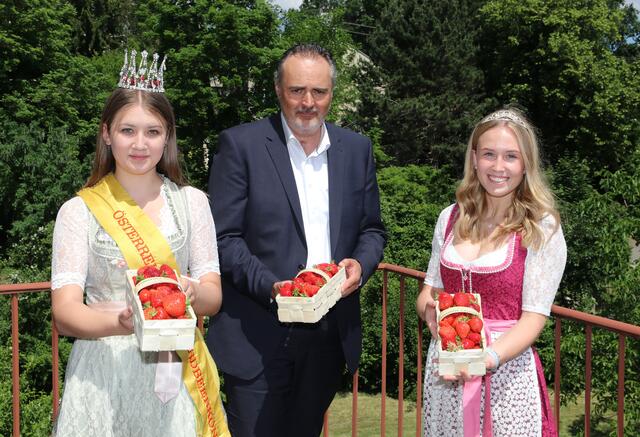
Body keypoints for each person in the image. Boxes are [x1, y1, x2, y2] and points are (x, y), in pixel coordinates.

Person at [206, 43, 386, 436]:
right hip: (257, 334)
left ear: (331, 95)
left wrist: (361, 264)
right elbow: (224, 238)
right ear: (277, 90)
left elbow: (372, 229)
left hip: (327, 334)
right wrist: (274, 288)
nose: (308, 102)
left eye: (318, 92)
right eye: (296, 91)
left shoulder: (357, 149)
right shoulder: (241, 146)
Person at [51, 49, 229, 436]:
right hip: (102, 374)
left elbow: (214, 295)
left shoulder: (193, 203)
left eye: (153, 131)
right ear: (106, 133)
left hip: (176, 369)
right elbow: (65, 314)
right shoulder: (78, 211)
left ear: (167, 138)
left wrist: (192, 293)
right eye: (127, 130)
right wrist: (122, 321)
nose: (139, 143)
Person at [416, 108, 566, 437]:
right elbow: (429, 291)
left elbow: (534, 318)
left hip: (506, 376)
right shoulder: (450, 217)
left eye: (511, 156)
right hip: (447, 372)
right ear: (474, 158)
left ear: (526, 163)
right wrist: (432, 317)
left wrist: (487, 359)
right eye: (489, 155)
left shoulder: (542, 228)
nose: (498, 167)